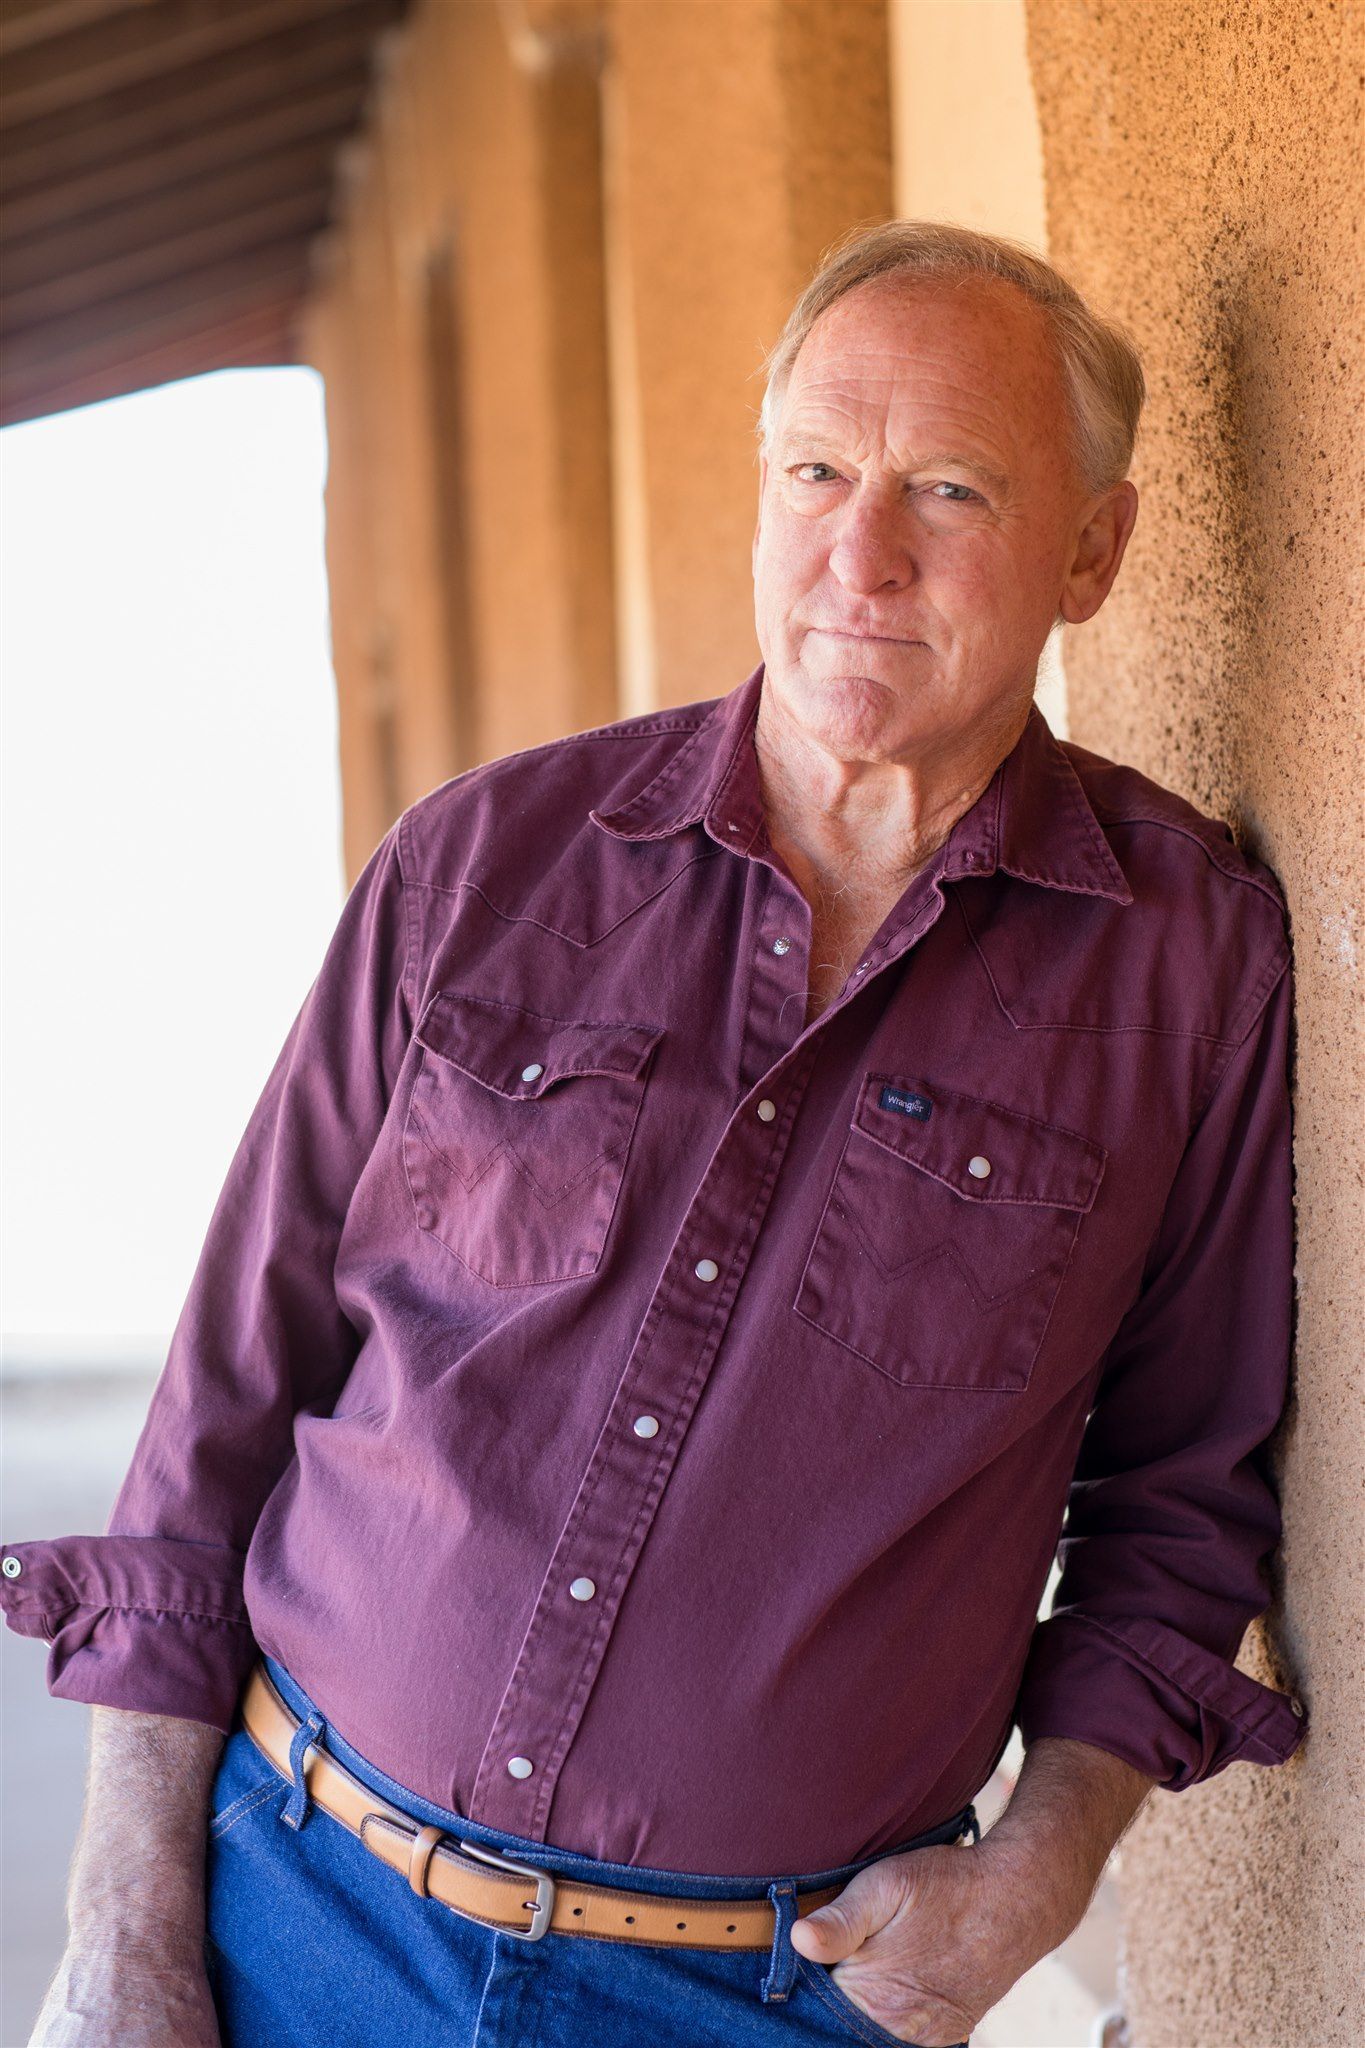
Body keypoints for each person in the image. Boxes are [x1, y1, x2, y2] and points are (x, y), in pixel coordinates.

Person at [2, 220, 1308, 2048]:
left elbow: (1180, 1494)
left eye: (948, 487)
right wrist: (126, 1930)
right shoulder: (485, 863)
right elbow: (221, 1407)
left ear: (1093, 550)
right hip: (285, 1914)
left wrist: (1035, 1877)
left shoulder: (1185, 964)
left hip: (761, 2001)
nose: (860, 553)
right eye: (816, 473)